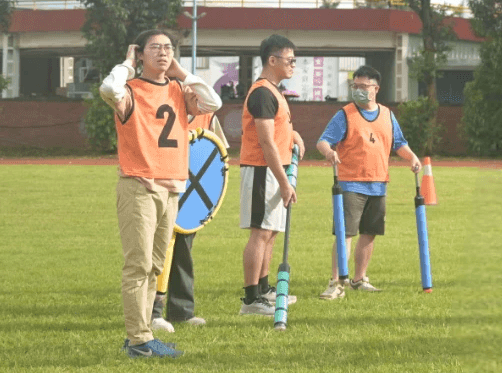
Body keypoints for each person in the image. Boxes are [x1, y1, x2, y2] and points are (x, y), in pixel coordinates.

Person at [99, 29, 221, 358]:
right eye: (155, 48)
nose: (163, 53)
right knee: (138, 265)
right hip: (139, 185)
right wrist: (126, 63)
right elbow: (109, 87)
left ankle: (145, 334)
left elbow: (213, 102)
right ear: (141, 54)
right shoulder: (130, 90)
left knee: (154, 266)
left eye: (168, 48)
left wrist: (183, 73)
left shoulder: (179, 90)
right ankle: (138, 339)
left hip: (171, 188)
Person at [315, 65, 422, 299]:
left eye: (363, 86)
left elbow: (398, 143)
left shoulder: (387, 115)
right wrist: (329, 153)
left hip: (378, 182)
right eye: (355, 86)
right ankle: (336, 282)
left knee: (370, 232)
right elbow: (323, 141)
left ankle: (359, 278)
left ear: (376, 89)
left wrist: (412, 156)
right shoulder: (345, 114)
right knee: (346, 233)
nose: (359, 90)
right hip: (350, 183)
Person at [239, 34, 305, 316]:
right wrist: (283, 181)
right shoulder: (263, 93)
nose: (293, 65)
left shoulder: (274, 92)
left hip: (273, 171)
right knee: (260, 232)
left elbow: (277, 131)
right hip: (261, 170)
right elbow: (265, 141)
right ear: (272, 60)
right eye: (289, 60)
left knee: (271, 232)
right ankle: (251, 299)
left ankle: (265, 290)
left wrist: (294, 136)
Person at [150, 105, 228, 332]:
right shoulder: (164, 109)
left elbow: (216, 151)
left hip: (189, 202)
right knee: (158, 255)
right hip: (164, 188)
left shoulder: (206, 114)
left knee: (183, 253)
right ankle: (153, 312)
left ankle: (181, 311)